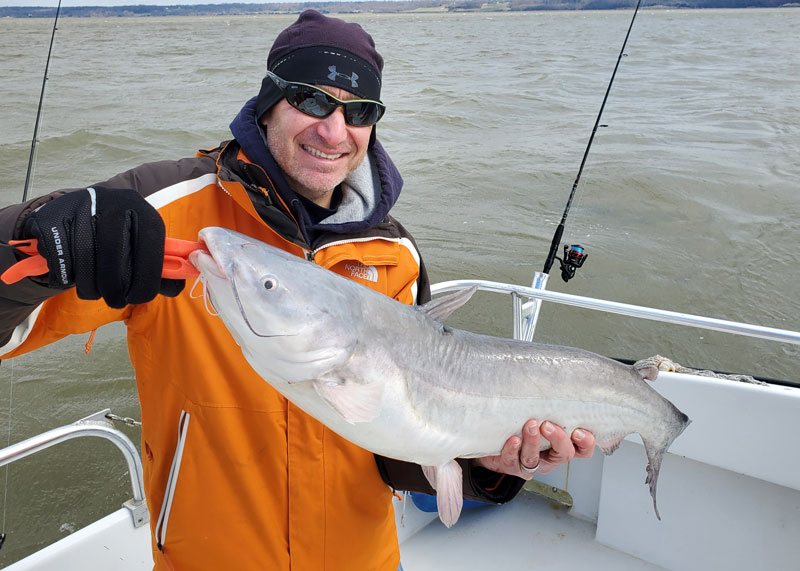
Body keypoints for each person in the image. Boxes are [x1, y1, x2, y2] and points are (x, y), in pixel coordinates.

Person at [0, 10, 594, 571]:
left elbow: (397, 439)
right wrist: (34, 238)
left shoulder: (395, 254)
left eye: (359, 110)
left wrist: (484, 460)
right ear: (267, 102)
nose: (334, 129)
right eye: (311, 100)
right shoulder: (167, 211)